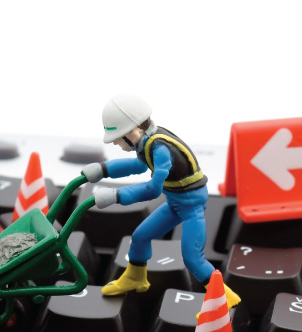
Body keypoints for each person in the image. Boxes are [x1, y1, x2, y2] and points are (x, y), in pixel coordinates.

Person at [82, 93, 240, 309]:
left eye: (119, 137)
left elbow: (153, 189)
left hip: (191, 206)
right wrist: (103, 169)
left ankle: (224, 298)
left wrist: (116, 196)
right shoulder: (147, 144)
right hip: (175, 202)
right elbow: (137, 166)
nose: (117, 143)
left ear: (135, 130)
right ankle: (135, 278)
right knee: (139, 237)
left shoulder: (160, 149)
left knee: (193, 258)